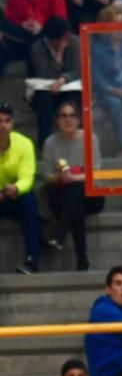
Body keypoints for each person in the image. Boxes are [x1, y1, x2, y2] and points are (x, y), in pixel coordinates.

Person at [41, 101, 104, 271]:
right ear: (57, 120)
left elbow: (96, 173)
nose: (68, 120)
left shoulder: (90, 138)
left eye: (72, 115)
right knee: (75, 203)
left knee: (75, 189)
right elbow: (47, 175)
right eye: (63, 116)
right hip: (63, 197)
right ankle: (82, 261)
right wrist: (60, 177)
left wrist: (73, 177)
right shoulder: (50, 142)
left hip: (92, 195)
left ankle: (60, 235)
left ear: (78, 119)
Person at [2, 0, 68, 80]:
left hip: (44, 38)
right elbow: (10, 21)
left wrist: (41, 26)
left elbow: (60, 19)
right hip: (20, 39)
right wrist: (22, 24)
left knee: (43, 38)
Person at [0, 102, 42, 275]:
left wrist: (16, 189)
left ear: (12, 124)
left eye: (6, 121)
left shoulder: (24, 144)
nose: (2, 125)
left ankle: (32, 261)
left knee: (29, 202)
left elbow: (27, 177)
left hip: (15, 196)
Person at [29, 17, 81, 146]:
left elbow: (78, 69)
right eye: (64, 37)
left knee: (74, 99)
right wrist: (59, 54)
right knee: (44, 101)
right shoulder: (37, 48)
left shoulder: (75, 42)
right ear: (53, 39)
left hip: (69, 88)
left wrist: (62, 80)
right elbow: (46, 74)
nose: (67, 39)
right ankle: (44, 144)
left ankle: (77, 142)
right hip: (46, 89)